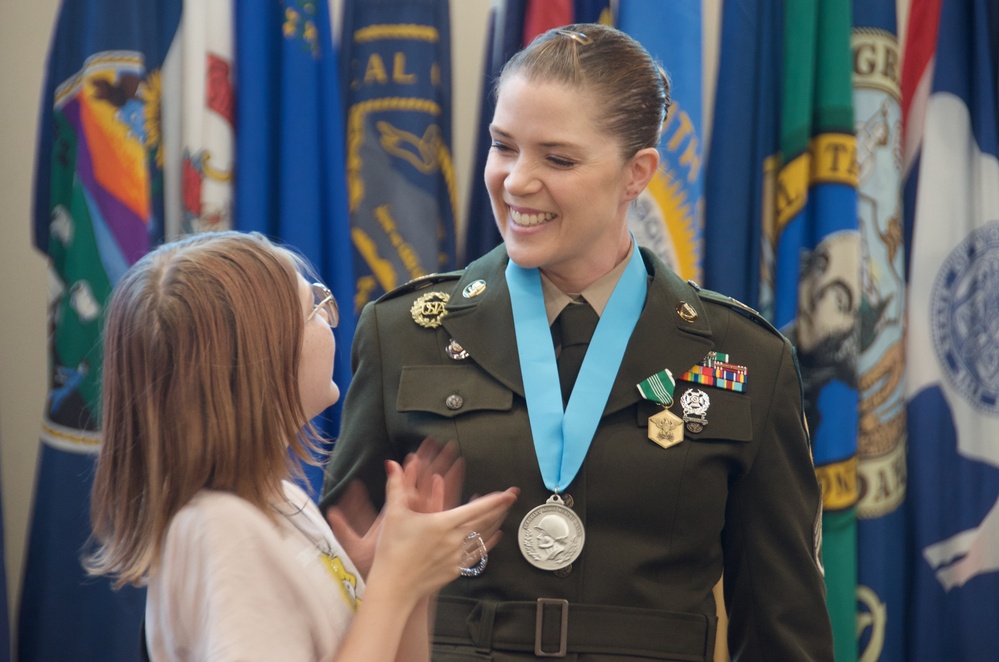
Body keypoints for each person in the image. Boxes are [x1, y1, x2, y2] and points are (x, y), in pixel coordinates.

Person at [320, 23, 834, 661]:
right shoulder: (404, 331)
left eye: (557, 159)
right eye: (503, 146)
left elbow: (786, 630)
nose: (516, 182)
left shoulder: (744, 357)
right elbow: (333, 586)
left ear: (636, 173)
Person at [86, 231, 518, 662]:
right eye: (313, 309)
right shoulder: (219, 529)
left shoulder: (279, 499)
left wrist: (406, 584)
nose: (331, 320)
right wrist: (393, 583)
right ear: (260, 361)